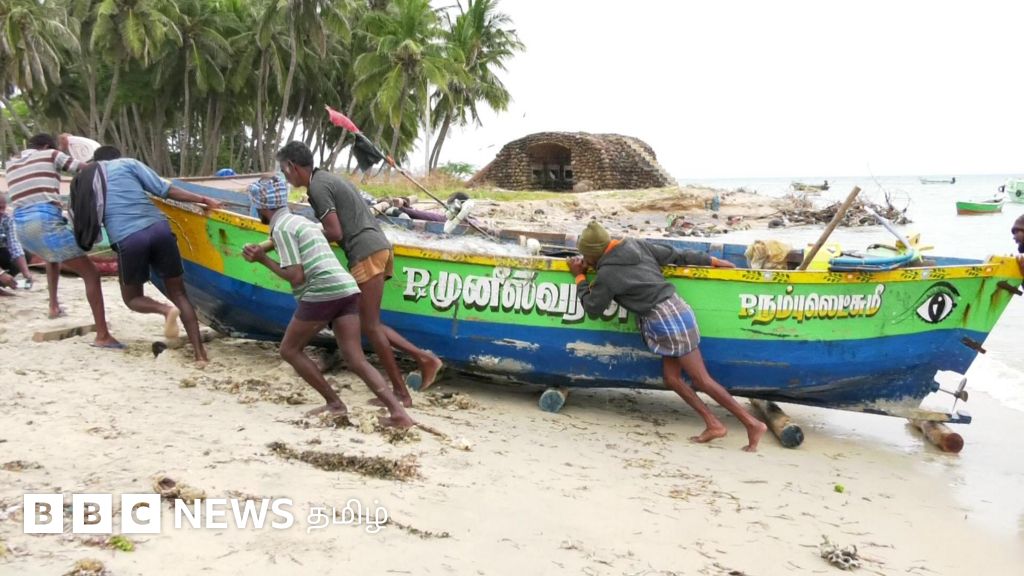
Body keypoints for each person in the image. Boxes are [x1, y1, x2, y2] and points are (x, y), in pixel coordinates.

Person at [568, 221, 767, 452]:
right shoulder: (637, 245)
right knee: (671, 378)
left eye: (586, 255)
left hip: (665, 320)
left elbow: (593, 308)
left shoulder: (607, 273)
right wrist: (712, 261)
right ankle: (713, 424)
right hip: (675, 309)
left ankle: (752, 423)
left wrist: (579, 277)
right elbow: (677, 255)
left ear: (594, 253)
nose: (585, 259)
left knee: (702, 379)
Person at [276, 141, 442, 404]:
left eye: (283, 170)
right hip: (378, 247)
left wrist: (303, 232)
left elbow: (334, 232)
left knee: (370, 325)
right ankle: (421, 363)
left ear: (291, 167)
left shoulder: (318, 188)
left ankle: (406, 385)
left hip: (365, 251)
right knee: (368, 323)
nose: (284, 175)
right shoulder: (326, 179)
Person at [241, 176, 414, 427]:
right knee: (355, 358)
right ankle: (399, 414)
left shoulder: (281, 229)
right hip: (347, 288)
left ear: (261, 206)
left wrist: (262, 259)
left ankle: (334, 403)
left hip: (323, 291)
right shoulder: (302, 222)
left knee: (289, 350)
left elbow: (296, 277)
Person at [93, 146, 220, 363]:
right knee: (180, 294)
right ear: (117, 156)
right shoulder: (129, 164)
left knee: (132, 298)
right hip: (159, 229)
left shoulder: (92, 176)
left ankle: (165, 310)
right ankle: (200, 355)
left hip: (128, 237)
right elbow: (165, 190)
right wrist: (203, 199)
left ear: (96, 161)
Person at [5, 133, 120, 347]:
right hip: (44, 221)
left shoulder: (11, 163)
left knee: (52, 256)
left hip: (21, 228)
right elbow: (87, 169)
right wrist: (68, 148)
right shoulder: (50, 154)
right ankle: (103, 336)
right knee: (91, 274)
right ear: (47, 145)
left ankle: (53, 306)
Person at [0, 192, 34, 296]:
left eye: (3, 208)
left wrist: (26, 273)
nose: (1, 212)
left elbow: (15, 246)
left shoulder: (7, 219)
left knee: (25, 254)